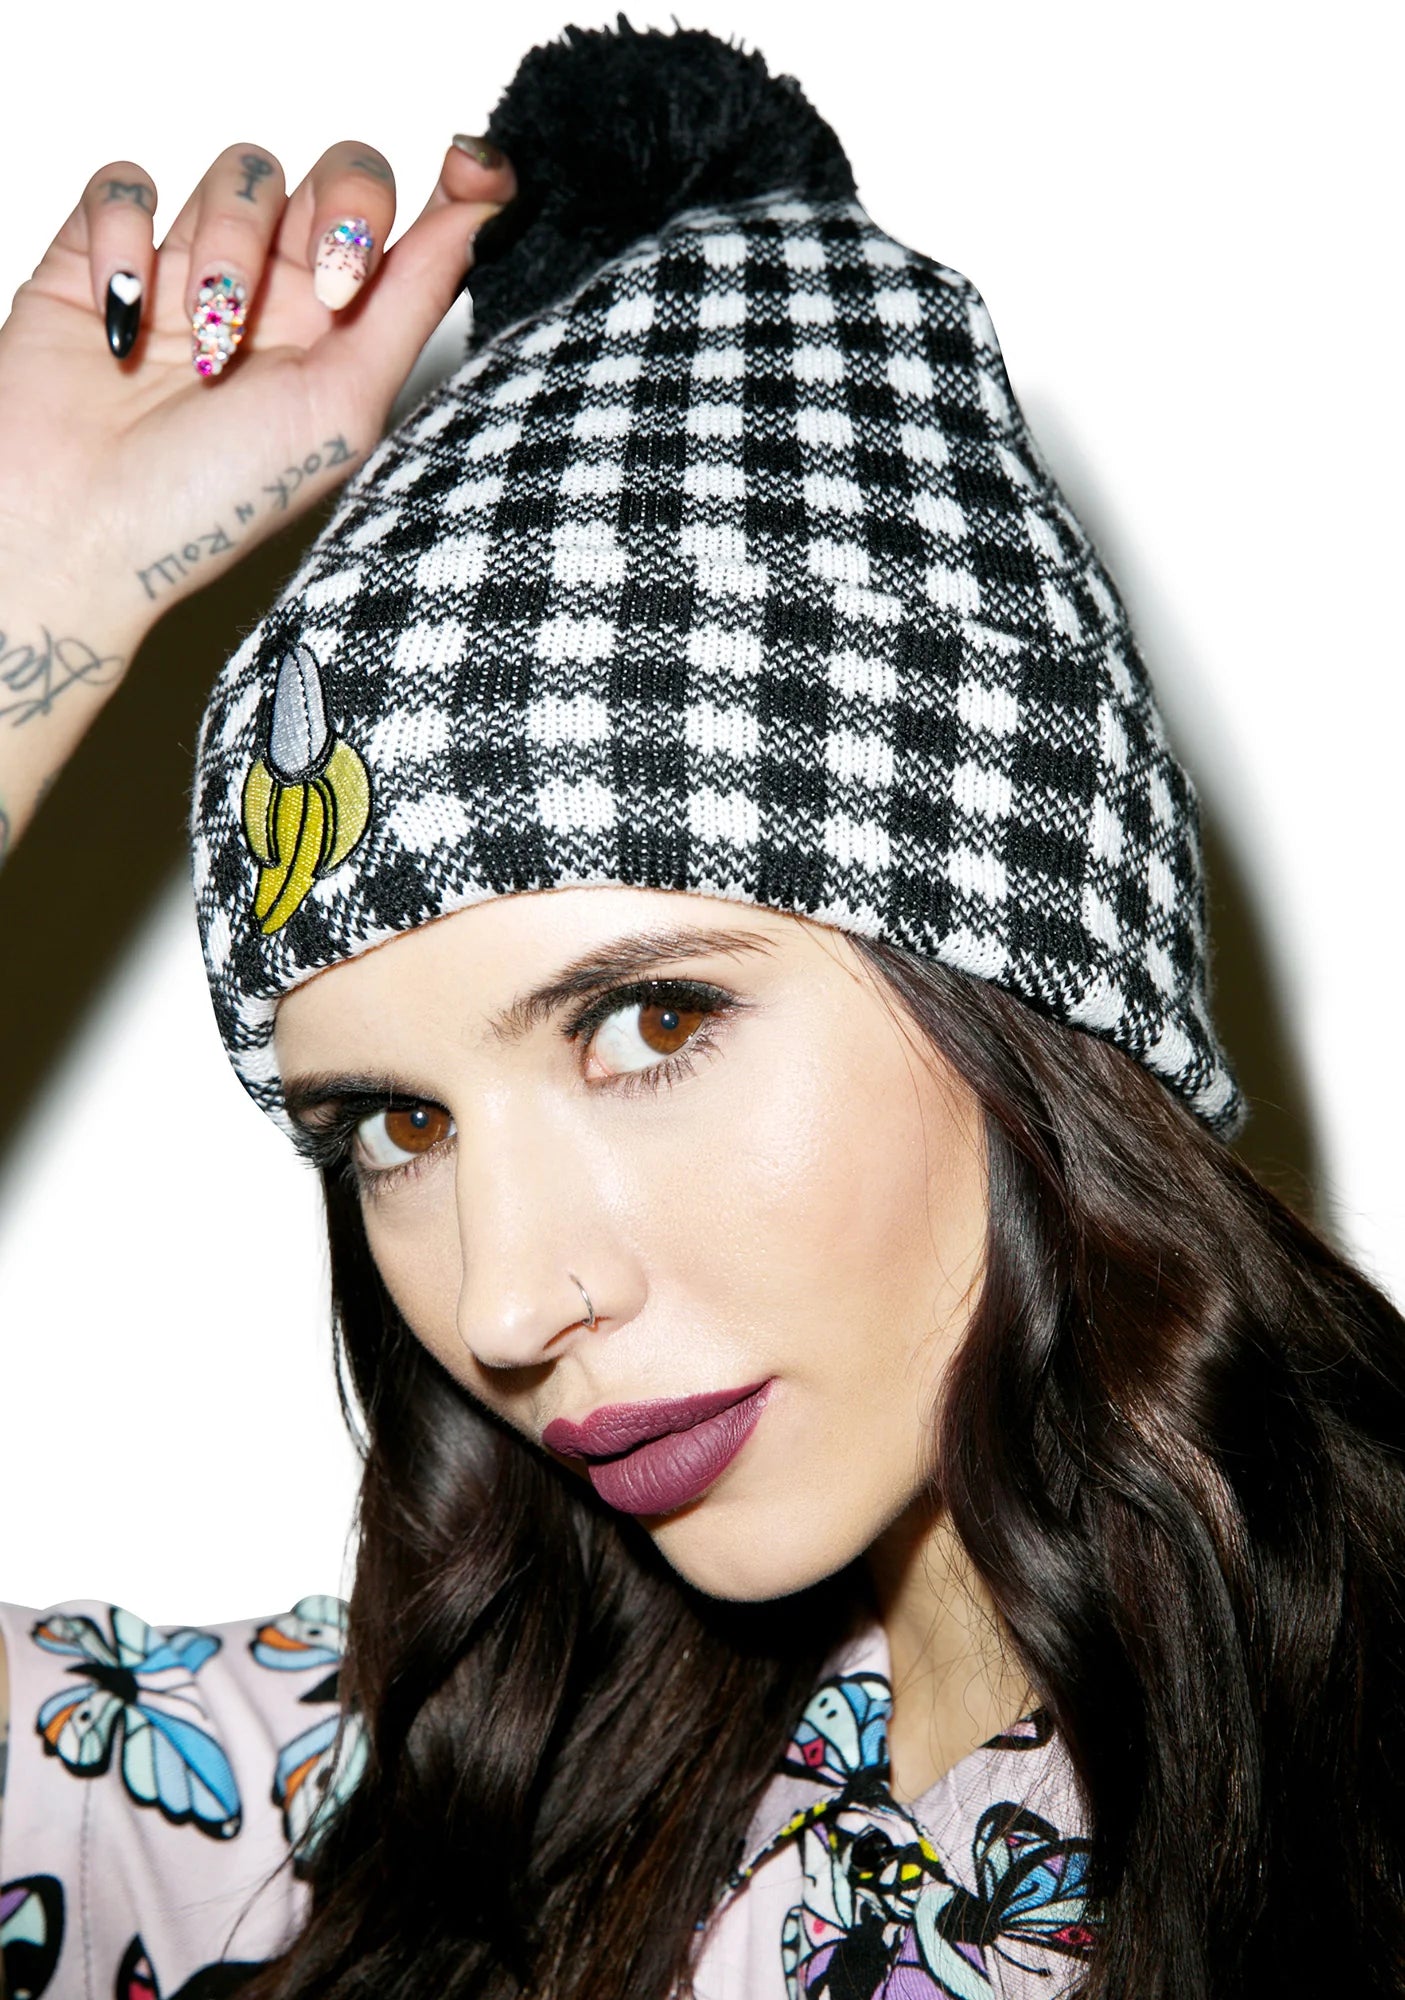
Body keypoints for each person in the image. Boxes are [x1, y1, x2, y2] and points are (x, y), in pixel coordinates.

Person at [1, 20, 1402, 2000]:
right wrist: (31, 578)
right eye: (395, 1126)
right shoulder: (434, 1808)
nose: (505, 1301)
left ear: (1032, 984)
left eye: (648, 1024)